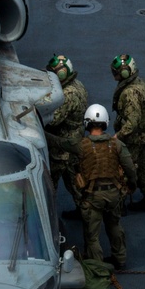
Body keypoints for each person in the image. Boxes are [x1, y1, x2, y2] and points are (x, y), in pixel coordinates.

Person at [76, 104, 137, 270]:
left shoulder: (82, 146)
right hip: (114, 194)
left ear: (87, 123)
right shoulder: (116, 145)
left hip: (93, 196)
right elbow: (130, 168)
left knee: (92, 234)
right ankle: (120, 258)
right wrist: (132, 185)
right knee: (114, 225)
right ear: (105, 123)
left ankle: (97, 267)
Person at [43, 54, 88, 220]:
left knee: (50, 185)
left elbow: (53, 120)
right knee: (76, 184)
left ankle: (48, 217)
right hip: (74, 142)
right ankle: (84, 213)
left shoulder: (67, 95)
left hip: (62, 148)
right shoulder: (78, 85)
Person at [110, 53, 145, 212]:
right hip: (144, 136)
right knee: (144, 167)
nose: (115, 75)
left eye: (116, 72)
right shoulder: (139, 83)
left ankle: (120, 205)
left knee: (124, 168)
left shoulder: (129, 92)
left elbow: (132, 122)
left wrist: (119, 135)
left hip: (132, 139)